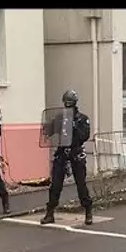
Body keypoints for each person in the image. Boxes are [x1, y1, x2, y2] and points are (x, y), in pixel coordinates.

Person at [41, 90, 93, 225]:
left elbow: (85, 136)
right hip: (62, 152)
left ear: (75, 103)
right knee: (55, 185)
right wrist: (47, 128)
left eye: (69, 103)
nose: (67, 106)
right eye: (66, 103)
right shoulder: (60, 118)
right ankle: (50, 212)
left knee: (81, 184)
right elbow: (49, 131)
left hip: (76, 153)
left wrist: (75, 127)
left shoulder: (82, 118)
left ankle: (88, 211)